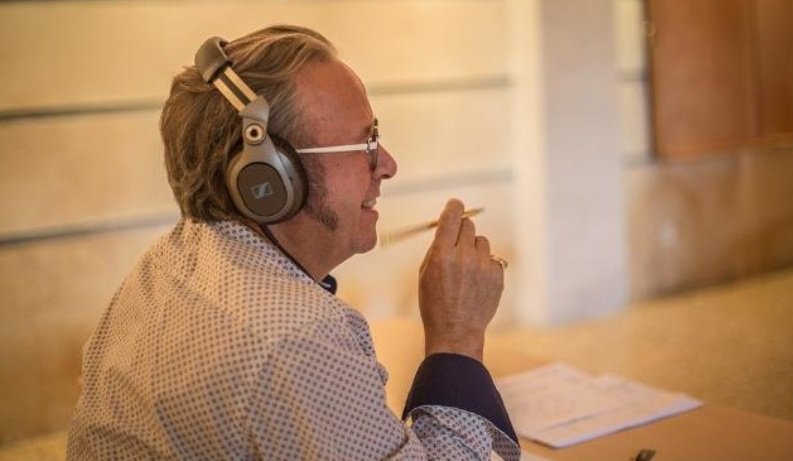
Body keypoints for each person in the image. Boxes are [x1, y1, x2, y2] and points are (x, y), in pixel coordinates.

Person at [67, 25, 519, 460]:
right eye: (365, 144)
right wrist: (456, 335)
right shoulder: (295, 335)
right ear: (268, 178)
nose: (387, 164)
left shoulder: (169, 261)